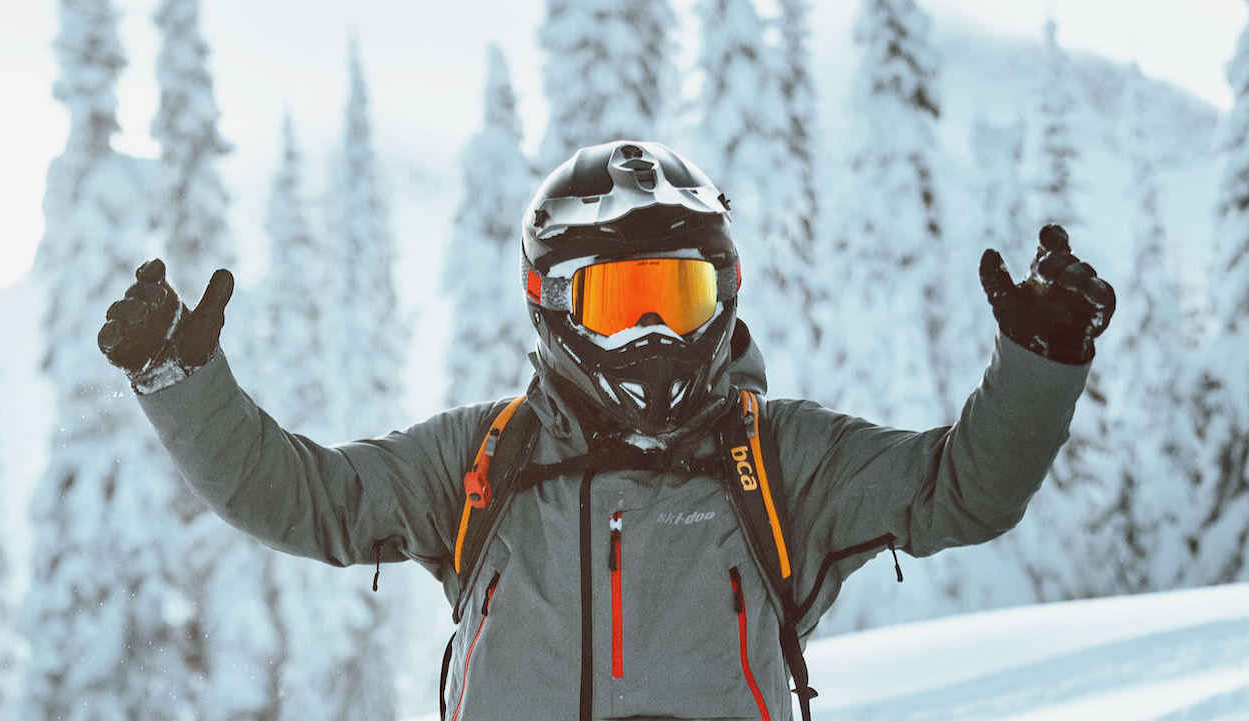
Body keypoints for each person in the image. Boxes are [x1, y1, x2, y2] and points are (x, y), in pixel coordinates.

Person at [98, 140, 1114, 721]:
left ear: (726, 293)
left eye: (679, 292)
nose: (654, 330)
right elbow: (309, 497)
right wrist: (181, 383)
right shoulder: (485, 455)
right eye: (620, 297)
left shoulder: (775, 457)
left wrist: (1038, 368)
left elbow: (959, 489)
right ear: (549, 302)